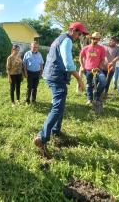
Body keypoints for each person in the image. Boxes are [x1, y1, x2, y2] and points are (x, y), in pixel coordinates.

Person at [33, 22, 86, 157]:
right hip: (56, 76)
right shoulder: (67, 40)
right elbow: (68, 64)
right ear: (73, 30)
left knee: (59, 104)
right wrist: (79, 79)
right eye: (79, 34)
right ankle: (42, 137)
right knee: (57, 106)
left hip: (50, 75)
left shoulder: (59, 38)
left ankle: (56, 130)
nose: (79, 37)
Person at [79, 32, 107, 112]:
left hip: (97, 69)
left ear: (99, 39)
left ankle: (97, 97)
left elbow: (102, 59)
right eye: (94, 38)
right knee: (89, 84)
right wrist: (82, 66)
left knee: (103, 82)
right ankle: (89, 99)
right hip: (87, 69)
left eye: (97, 39)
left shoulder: (101, 48)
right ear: (91, 39)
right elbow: (80, 57)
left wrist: (98, 67)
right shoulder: (86, 48)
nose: (96, 40)